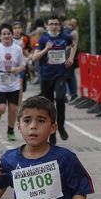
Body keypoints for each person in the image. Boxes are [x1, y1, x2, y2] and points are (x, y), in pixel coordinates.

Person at [31, 17, 75, 145]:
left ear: (60, 26)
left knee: (60, 98)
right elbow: (34, 57)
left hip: (60, 74)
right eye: (51, 24)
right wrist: (46, 49)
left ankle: (60, 126)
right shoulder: (43, 39)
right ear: (47, 25)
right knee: (48, 106)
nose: (54, 26)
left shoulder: (65, 37)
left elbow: (74, 44)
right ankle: (52, 133)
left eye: (56, 24)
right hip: (46, 77)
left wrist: (71, 58)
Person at [0, 23, 27, 141]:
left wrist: (17, 69)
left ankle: (10, 130)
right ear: (0, 36)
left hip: (13, 84)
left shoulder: (17, 49)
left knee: (13, 110)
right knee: (1, 108)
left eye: (8, 33)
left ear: (12, 35)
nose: (6, 36)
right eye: (4, 34)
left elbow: (23, 65)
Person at [64, 18, 80, 101]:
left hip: (70, 56)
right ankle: (72, 93)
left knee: (70, 76)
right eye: (70, 23)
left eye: (73, 23)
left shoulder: (73, 33)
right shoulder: (71, 32)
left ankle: (73, 94)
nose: (71, 25)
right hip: (68, 56)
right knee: (69, 76)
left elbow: (72, 45)